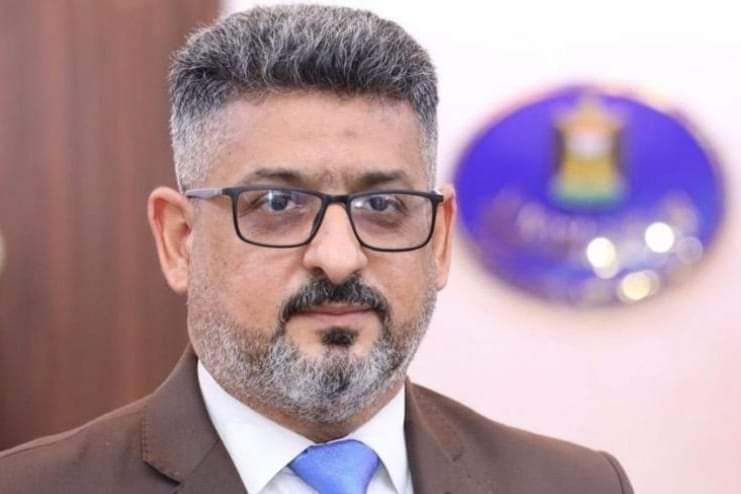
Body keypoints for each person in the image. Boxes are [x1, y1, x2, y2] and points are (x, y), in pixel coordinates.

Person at [0, 5, 633, 493]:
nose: (339, 257)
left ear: (438, 241)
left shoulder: (575, 485)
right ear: (179, 241)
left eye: (382, 206)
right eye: (278, 204)